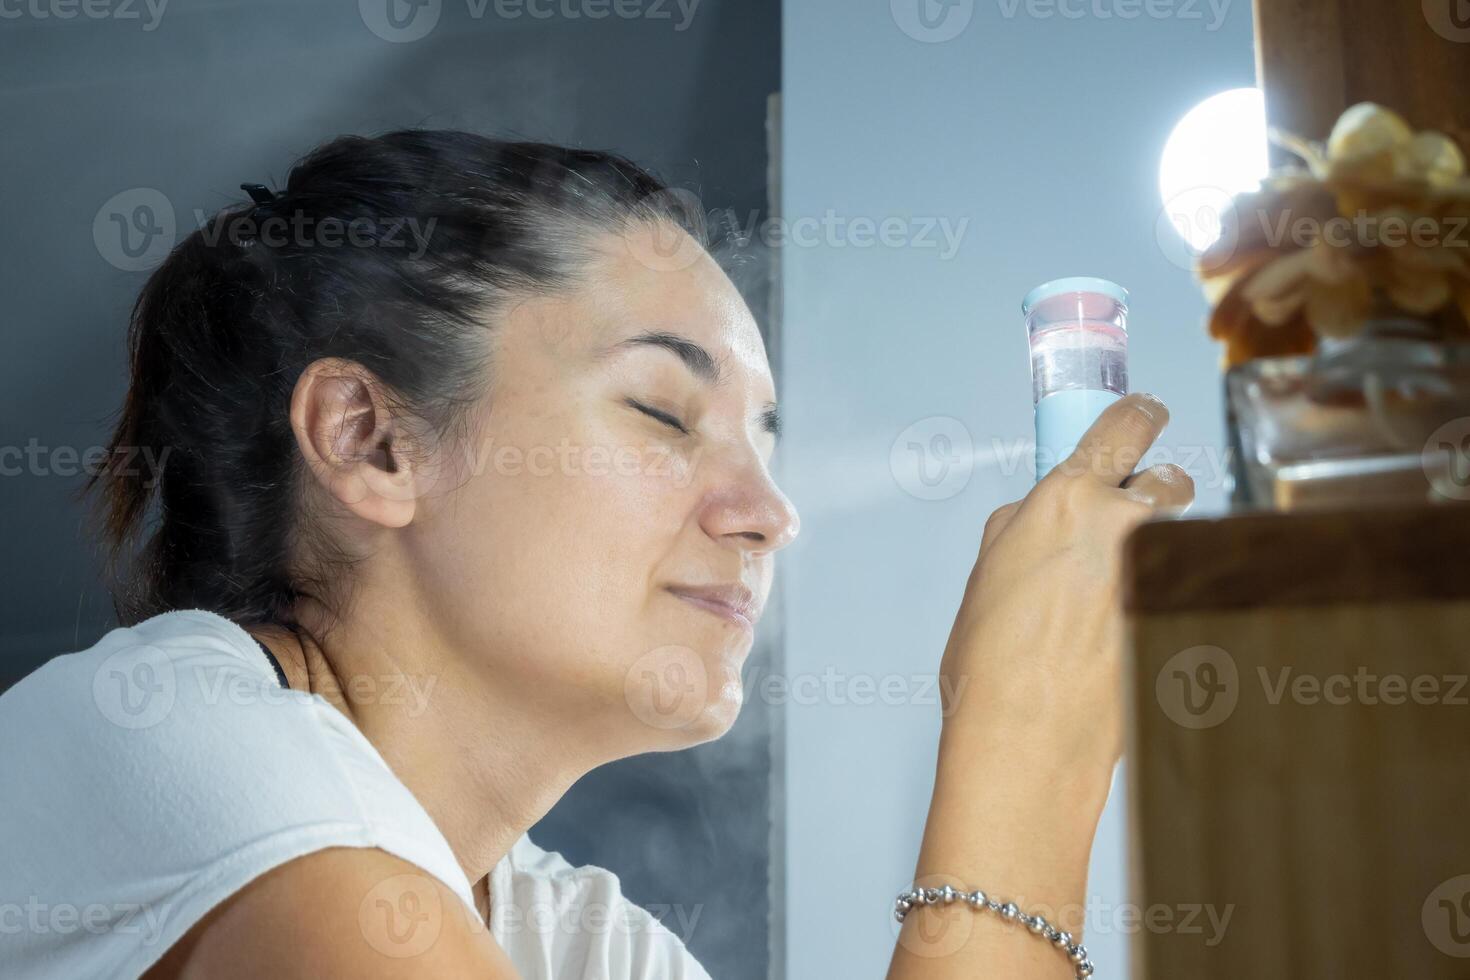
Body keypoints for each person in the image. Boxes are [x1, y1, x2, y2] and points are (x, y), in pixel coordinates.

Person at [0, 130, 1192, 979]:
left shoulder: (581, 940)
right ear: (372, 442)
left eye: (766, 443)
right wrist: (1020, 749)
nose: (769, 511)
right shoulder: (159, 737)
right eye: (666, 412)